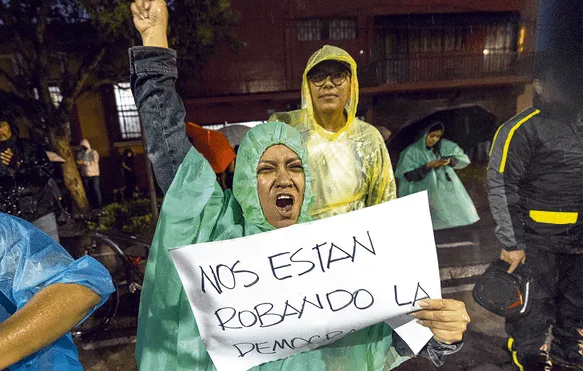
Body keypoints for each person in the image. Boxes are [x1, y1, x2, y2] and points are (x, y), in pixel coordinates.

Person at [130, 1, 470, 370]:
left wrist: (441, 334)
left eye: (295, 166)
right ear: (244, 180)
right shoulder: (218, 227)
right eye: (265, 169)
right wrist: (154, 45)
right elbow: (169, 149)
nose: (283, 178)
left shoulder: (335, 260)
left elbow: (379, 341)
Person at [0, 138, 115, 371]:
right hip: (10, 214)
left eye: (2, 124)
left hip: (31, 216)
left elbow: (76, 288)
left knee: (39, 272)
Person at [487, 55, 583, 371]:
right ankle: (528, 353)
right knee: (533, 304)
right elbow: (501, 184)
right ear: (540, 85)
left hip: (579, 241)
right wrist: (512, 241)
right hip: (537, 240)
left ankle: (568, 350)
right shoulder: (520, 129)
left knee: (575, 302)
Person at [269, 45, 395, 220]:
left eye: (338, 76)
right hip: (302, 242)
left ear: (352, 84)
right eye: (318, 77)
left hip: (356, 241)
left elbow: (383, 200)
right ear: (307, 87)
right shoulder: (285, 132)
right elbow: (266, 198)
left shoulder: (368, 138)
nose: (328, 84)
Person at [0, 104, 64, 241]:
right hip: (4, 220)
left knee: (49, 257)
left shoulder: (30, 147)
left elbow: (43, 175)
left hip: (39, 215)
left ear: (10, 124)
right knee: (15, 260)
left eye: (1, 125)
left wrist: (19, 166)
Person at [395, 122, 479, 230]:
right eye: (432, 136)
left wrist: (450, 160)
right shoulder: (411, 152)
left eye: (438, 136)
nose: (434, 139)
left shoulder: (443, 146)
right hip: (422, 190)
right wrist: (427, 166)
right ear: (424, 135)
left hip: (442, 188)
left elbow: (462, 159)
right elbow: (407, 176)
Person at [76, 138, 102, 209]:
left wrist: (83, 163)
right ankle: (91, 205)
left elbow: (94, 162)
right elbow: (78, 161)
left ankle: (99, 206)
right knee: (88, 191)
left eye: (84, 146)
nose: (83, 148)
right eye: (82, 146)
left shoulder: (93, 152)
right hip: (85, 175)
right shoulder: (80, 154)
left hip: (94, 175)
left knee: (96, 190)